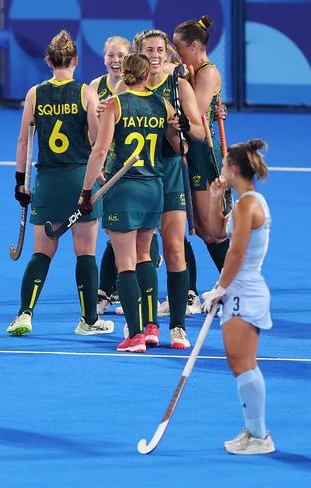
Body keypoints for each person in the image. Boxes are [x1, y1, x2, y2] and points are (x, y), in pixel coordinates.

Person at [7, 30, 115, 337]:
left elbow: (24, 141)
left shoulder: (35, 94)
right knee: (85, 252)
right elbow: (96, 141)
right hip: (80, 179)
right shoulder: (86, 92)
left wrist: (20, 183)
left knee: (42, 252)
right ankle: (89, 320)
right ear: (76, 61)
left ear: (48, 61)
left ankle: (24, 314)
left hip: (47, 181)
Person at [80, 52, 183, 353]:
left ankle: (135, 334)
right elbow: (175, 144)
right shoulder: (162, 104)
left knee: (125, 262)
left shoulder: (116, 103)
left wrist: (86, 192)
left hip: (124, 189)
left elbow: (99, 151)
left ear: (125, 72)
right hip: (154, 187)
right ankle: (151, 326)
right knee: (144, 257)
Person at [201, 139, 275, 455]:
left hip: (244, 290)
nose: (220, 172)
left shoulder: (248, 204)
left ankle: (260, 436)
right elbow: (217, 234)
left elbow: (237, 250)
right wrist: (217, 199)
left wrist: (220, 286)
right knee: (237, 363)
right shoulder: (242, 202)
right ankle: (252, 430)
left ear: (233, 169)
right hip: (239, 289)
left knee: (244, 363)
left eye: (223, 167)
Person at [135, 29, 205, 348]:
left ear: (167, 53)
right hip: (137, 175)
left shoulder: (178, 85)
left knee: (174, 248)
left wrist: (180, 127)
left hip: (170, 169)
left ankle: (177, 326)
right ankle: (148, 323)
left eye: (160, 49)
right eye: (148, 49)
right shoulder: (129, 86)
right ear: (140, 53)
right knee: (142, 251)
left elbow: (200, 134)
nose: (155, 54)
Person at [174, 16, 231, 276]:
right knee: (201, 228)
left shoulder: (208, 72)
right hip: (190, 151)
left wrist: (182, 81)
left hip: (204, 152)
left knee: (213, 230)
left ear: (194, 46)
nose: (177, 54)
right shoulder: (197, 71)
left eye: (179, 48)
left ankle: (236, 284)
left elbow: (194, 112)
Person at [89, 36, 131, 315]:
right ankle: (112, 288)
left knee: (126, 228)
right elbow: (91, 130)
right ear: (104, 57)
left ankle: (120, 287)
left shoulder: (136, 84)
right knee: (110, 229)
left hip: (131, 165)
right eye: (111, 56)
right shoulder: (94, 87)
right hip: (105, 165)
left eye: (121, 56)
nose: (115, 61)